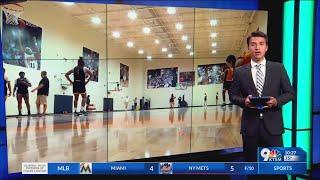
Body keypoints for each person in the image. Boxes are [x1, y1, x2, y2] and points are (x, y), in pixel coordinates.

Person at [229, 31, 294, 163]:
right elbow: (232, 95)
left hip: (273, 128)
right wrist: (244, 101)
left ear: (266, 47)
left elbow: (290, 93)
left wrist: (276, 101)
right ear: (249, 48)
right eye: (253, 44)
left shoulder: (278, 68)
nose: (257, 47)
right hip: (250, 130)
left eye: (261, 44)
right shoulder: (240, 72)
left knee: (275, 169)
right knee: (253, 168)